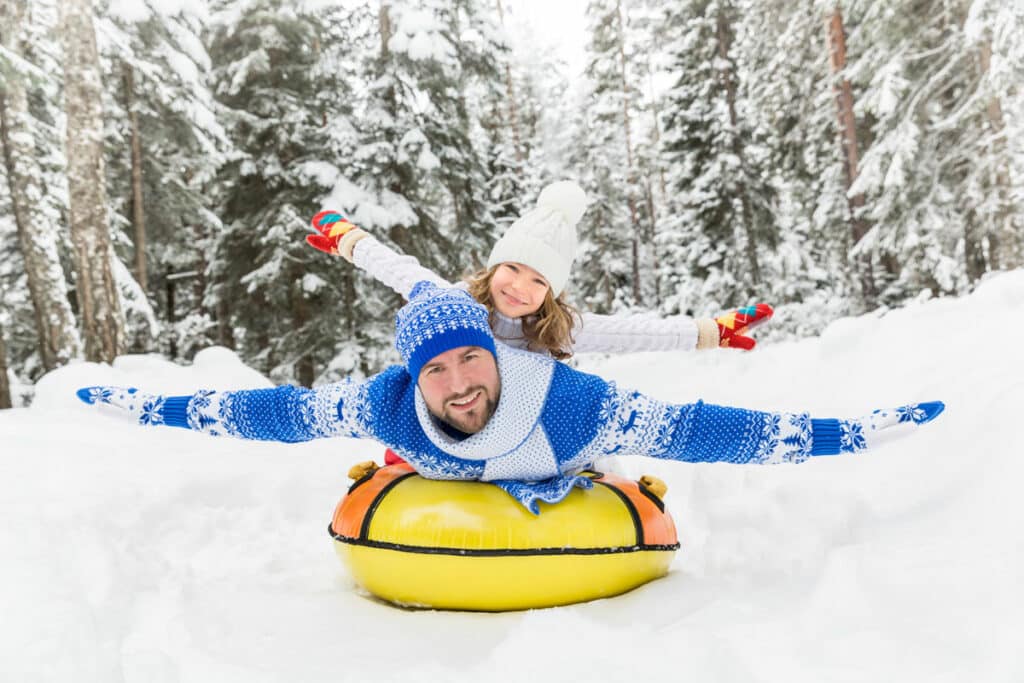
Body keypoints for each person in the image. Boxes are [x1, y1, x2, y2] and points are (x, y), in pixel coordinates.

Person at [76, 282, 944, 514]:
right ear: (411, 378)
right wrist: (154, 406)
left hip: (560, 465)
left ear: (492, 349)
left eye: (468, 359)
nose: (457, 384)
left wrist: (846, 434)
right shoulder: (381, 405)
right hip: (427, 485)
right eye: (435, 373)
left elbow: (707, 431)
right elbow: (274, 412)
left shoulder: (574, 402)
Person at [306, 181, 774, 360]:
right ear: (493, 267)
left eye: (538, 280)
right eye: (512, 267)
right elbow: (403, 271)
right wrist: (350, 240)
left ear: (551, 291)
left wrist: (709, 331)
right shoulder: (457, 305)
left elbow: (633, 333)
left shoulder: (556, 329)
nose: (519, 286)